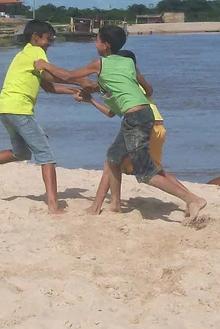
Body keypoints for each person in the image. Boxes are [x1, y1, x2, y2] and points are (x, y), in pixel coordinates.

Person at [51, 26, 207, 223]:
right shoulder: (127, 62)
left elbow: (67, 76)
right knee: (113, 157)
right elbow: (148, 89)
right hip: (141, 115)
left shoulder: (100, 63)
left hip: (135, 119)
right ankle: (114, 204)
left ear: (105, 45)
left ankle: (192, 199)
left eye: (97, 40)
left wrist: (43, 65)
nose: (95, 43)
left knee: (146, 174)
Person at [0, 20, 80, 215]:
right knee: (46, 155)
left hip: (5, 108)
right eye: (48, 39)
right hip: (19, 109)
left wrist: (74, 91)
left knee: (21, 153)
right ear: (36, 37)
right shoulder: (36, 52)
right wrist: (84, 82)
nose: (50, 43)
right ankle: (53, 206)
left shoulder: (23, 54)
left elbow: (49, 86)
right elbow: (60, 76)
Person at [77, 49, 179, 214]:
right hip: (158, 125)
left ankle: (99, 206)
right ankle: (190, 198)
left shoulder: (125, 82)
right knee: (155, 170)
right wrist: (91, 100)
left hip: (145, 126)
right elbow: (112, 112)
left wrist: (91, 89)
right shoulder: (132, 82)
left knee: (112, 163)